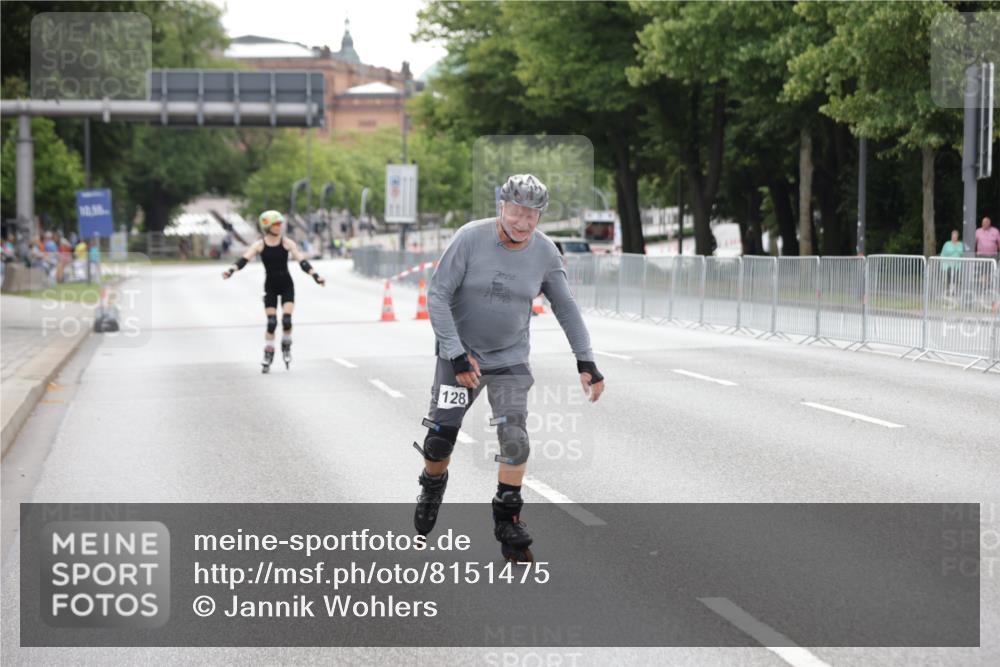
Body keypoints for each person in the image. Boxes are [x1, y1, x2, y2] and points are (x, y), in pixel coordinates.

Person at [411, 174, 606, 563]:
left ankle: (508, 519)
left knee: (514, 436)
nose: (522, 222)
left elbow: (565, 307)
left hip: (510, 358)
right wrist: (454, 354)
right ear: (502, 207)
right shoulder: (470, 238)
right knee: (439, 441)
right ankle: (433, 484)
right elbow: (438, 295)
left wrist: (586, 360)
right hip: (460, 357)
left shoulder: (546, 253)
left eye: (531, 215)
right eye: (516, 211)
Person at [222, 210, 326, 372]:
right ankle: (268, 352)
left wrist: (316, 276)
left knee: (286, 320)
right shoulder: (260, 245)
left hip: (286, 285)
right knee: (271, 323)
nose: (280, 227)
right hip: (270, 286)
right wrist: (231, 270)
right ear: (268, 226)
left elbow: (302, 261)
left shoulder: (287, 243)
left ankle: (286, 343)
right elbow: (244, 259)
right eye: (276, 224)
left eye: (280, 224)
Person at [940, 229, 964, 295]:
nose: (954, 237)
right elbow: (944, 253)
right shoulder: (947, 243)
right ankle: (949, 290)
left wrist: (957, 251)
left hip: (958, 264)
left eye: (956, 236)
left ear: (957, 237)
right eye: (953, 236)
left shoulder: (960, 244)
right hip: (948, 264)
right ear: (951, 236)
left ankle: (953, 290)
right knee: (949, 276)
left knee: (956, 277)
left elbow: (962, 253)